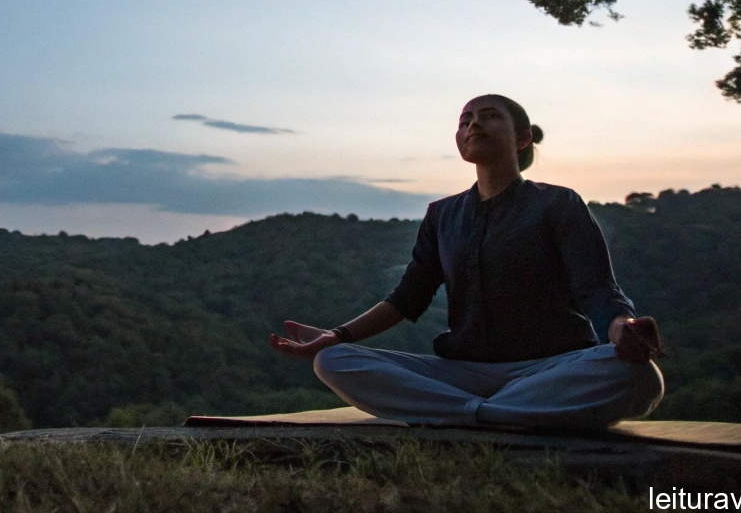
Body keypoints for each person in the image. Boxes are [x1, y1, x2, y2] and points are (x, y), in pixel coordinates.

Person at [269, 94, 665, 432]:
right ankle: (499, 413)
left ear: (522, 138)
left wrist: (622, 329)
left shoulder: (558, 204)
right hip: (461, 373)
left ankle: (463, 414)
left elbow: (597, 289)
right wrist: (336, 336)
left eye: (489, 116)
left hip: (550, 367)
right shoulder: (442, 215)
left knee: (638, 375)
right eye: (465, 121)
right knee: (333, 361)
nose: (473, 124)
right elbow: (407, 297)